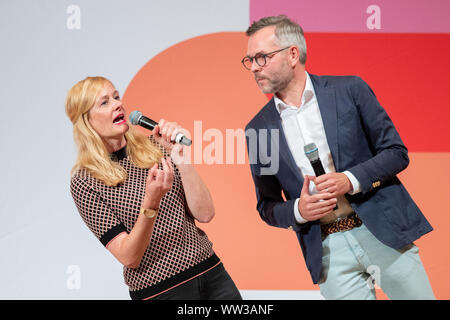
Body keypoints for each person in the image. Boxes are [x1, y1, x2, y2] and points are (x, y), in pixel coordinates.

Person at [242, 15, 435, 299]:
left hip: (383, 231)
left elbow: (396, 153)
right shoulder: (258, 129)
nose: (255, 68)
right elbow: (267, 205)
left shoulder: (350, 90)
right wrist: (298, 210)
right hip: (328, 253)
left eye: (262, 57)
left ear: (293, 54)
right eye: (250, 61)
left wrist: (350, 179)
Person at [65, 76, 242, 300]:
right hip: (161, 292)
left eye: (116, 97)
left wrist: (180, 157)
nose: (118, 104)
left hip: (211, 274)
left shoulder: (156, 147)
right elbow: (129, 256)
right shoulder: (85, 180)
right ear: (86, 121)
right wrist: (151, 201)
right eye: (104, 102)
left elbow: (205, 214)